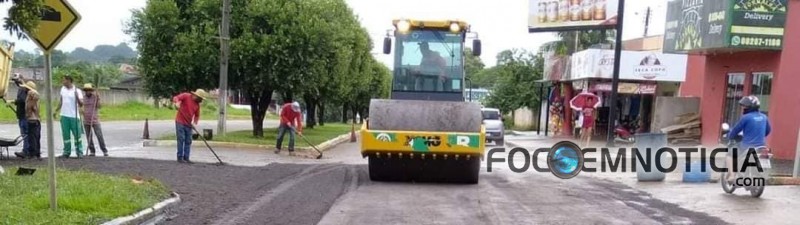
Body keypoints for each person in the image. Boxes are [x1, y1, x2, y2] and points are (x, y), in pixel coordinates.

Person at [725, 95, 771, 183]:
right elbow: (768, 131)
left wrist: (729, 136)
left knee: (730, 154)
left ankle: (732, 175)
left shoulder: (746, 117)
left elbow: (735, 130)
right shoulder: (764, 117)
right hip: (762, 146)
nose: (743, 108)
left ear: (750, 107)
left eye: (745, 106)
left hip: (747, 146)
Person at [172, 89, 208, 163]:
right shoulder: (186, 96)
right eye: (200, 98)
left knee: (188, 141)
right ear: (196, 96)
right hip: (180, 122)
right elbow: (176, 98)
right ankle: (180, 157)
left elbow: (197, 116)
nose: (201, 100)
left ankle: (186, 157)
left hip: (188, 124)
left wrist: (194, 123)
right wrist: (177, 103)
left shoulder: (197, 105)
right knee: (181, 139)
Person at [56, 75, 85, 159]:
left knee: (77, 135)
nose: (63, 82)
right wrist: (56, 110)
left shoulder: (77, 91)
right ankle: (66, 152)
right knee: (66, 135)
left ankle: (79, 152)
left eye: (64, 80)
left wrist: (77, 97)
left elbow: (81, 104)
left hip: (74, 116)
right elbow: (61, 101)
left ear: (69, 81)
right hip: (64, 115)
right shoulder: (62, 89)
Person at [81, 83, 109, 157]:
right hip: (86, 121)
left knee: (99, 135)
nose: (88, 92)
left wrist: (98, 98)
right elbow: (81, 107)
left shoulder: (95, 97)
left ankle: (104, 150)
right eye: (86, 90)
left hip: (95, 120)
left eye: (89, 90)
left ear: (91, 90)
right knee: (88, 137)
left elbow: (99, 107)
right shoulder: (83, 98)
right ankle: (92, 151)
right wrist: (82, 112)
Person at [8, 74, 30, 158]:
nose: (16, 82)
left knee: (25, 133)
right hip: (21, 115)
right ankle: (26, 150)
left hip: (24, 115)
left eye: (17, 80)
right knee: (24, 133)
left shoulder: (24, 88)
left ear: (21, 79)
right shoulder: (21, 88)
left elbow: (22, 100)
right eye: (15, 81)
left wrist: (13, 101)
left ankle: (26, 151)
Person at [23, 81, 41, 160]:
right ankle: (37, 153)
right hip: (36, 119)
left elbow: (31, 105)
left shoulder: (31, 93)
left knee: (32, 138)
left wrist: (29, 110)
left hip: (32, 119)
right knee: (36, 137)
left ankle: (33, 154)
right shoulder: (34, 93)